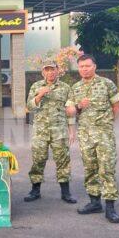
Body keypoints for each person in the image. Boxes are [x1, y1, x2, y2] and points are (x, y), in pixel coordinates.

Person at [68, 54, 119, 223]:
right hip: (85, 135)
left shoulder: (107, 83)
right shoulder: (75, 88)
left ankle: (110, 207)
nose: (84, 69)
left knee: (107, 168)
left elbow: (117, 106)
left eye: (87, 66)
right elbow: (69, 111)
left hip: (104, 134)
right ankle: (94, 202)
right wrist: (79, 106)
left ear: (94, 67)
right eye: (81, 66)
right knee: (90, 168)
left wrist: (107, 124)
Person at [24, 58, 77, 204]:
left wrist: (72, 130)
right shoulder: (36, 86)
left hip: (60, 131)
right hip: (40, 131)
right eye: (47, 70)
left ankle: (65, 192)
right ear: (43, 72)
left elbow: (70, 110)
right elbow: (29, 107)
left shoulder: (66, 88)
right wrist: (40, 94)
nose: (50, 72)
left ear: (57, 70)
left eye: (52, 69)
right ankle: (35, 190)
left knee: (63, 160)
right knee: (38, 160)